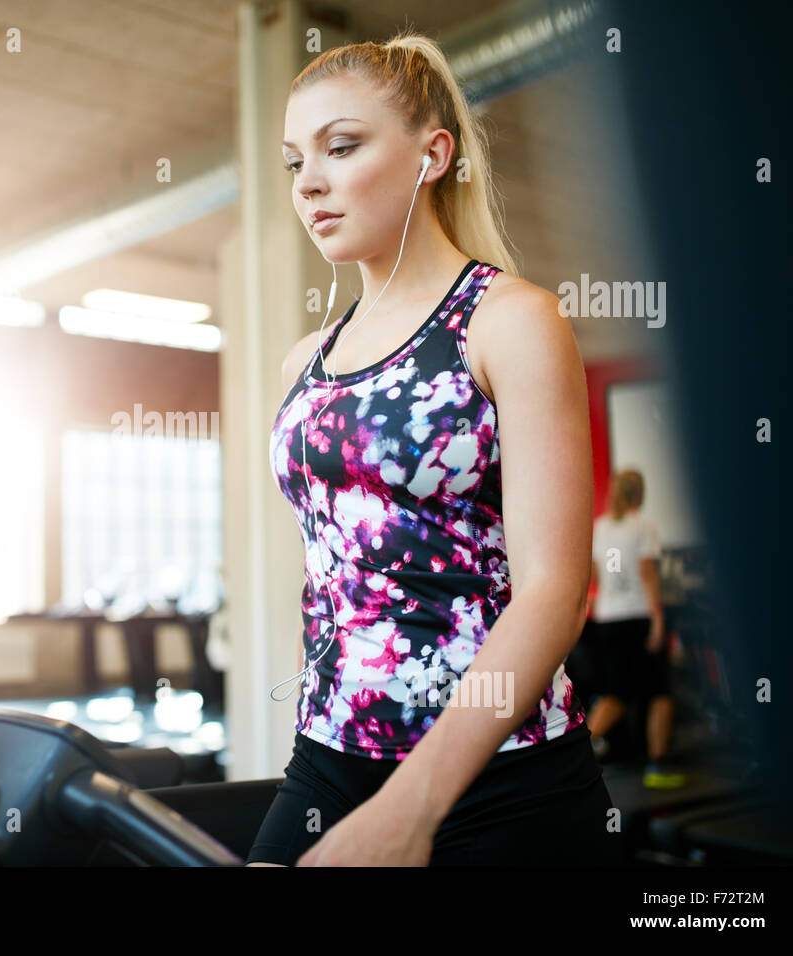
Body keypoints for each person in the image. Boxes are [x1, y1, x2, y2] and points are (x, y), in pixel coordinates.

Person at [248, 29, 619, 866]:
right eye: (293, 161)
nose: (309, 183)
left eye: (341, 148)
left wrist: (414, 808)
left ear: (432, 154)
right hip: (330, 754)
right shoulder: (302, 362)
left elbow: (555, 593)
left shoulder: (510, 321)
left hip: (500, 775)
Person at [585, 469, 686, 789]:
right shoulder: (643, 525)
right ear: (639, 493)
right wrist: (658, 618)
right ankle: (657, 766)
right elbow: (648, 574)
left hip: (607, 619)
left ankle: (576, 756)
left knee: (616, 694)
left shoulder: (601, 527)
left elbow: (596, 576)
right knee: (660, 692)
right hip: (638, 617)